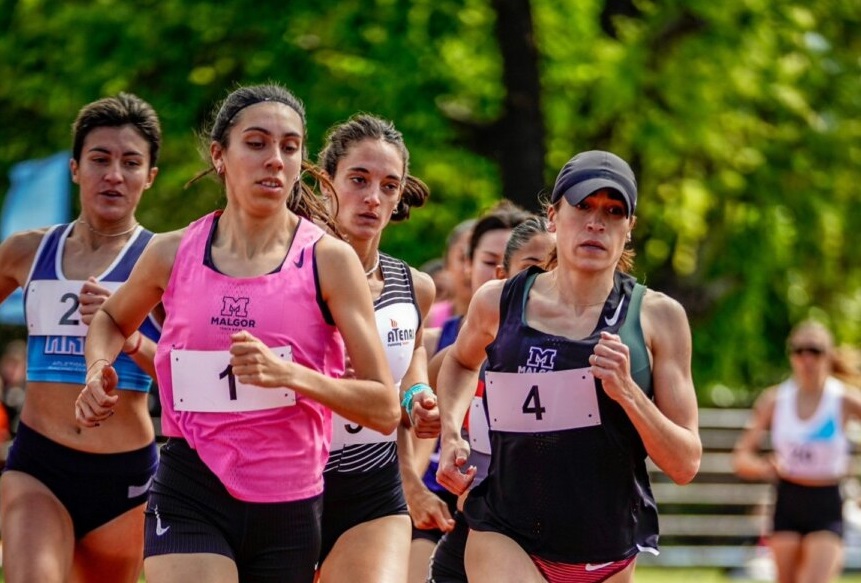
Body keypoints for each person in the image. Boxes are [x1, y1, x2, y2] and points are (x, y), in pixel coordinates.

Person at [74, 84, 400, 583]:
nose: (275, 159)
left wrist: (290, 375)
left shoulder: (328, 261)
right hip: (190, 486)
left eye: (290, 147)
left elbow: (382, 407)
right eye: (257, 143)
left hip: (289, 503)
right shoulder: (171, 252)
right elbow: (112, 320)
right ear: (219, 155)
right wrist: (98, 368)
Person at [436, 150, 702, 583]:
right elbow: (460, 364)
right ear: (553, 217)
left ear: (629, 229)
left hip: (608, 553)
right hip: (504, 531)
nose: (596, 223)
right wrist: (451, 433)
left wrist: (629, 393)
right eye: (583, 207)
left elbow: (685, 462)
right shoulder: (497, 301)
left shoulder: (659, 318)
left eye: (613, 212)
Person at [0, 93, 163, 583]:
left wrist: (129, 335)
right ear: (75, 169)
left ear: (149, 176)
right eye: (100, 159)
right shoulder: (26, 251)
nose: (114, 174)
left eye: (130, 162)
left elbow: (187, 373)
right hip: (38, 464)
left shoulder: (164, 262)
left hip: (126, 476)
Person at [314, 113, 442, 582]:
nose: (373, 197)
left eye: (389, 185)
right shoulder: (287, 274)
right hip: (289, 482)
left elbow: (413, 356)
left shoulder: (415, 286)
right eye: (358, 179)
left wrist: (417, 396)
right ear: (327, 183)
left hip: (373, 485)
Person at [410, 200, 533, 583]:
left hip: (518, 506)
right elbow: (396, 422)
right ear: (471, 264)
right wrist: (410, 486)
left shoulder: (553, 349)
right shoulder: (437, 346)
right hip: (441, 501)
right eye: (489, 260)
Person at [429, 215, 555, 583]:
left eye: (554, 269)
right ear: (503, 275)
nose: (543, 281)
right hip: (475, 520)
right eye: (531, 269)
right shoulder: (466, 352)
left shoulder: (579, 349)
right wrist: (436, 422)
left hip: (558, 536)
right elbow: (416, 408)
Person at [733, 320, 861, 583]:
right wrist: (764, 467)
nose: (806, 358)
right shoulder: (774, 400)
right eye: (798, 350)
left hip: (827, 500)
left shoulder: (844, 399)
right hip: (788, 498)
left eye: (814, 350)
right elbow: (741, 457)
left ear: (828, 354)